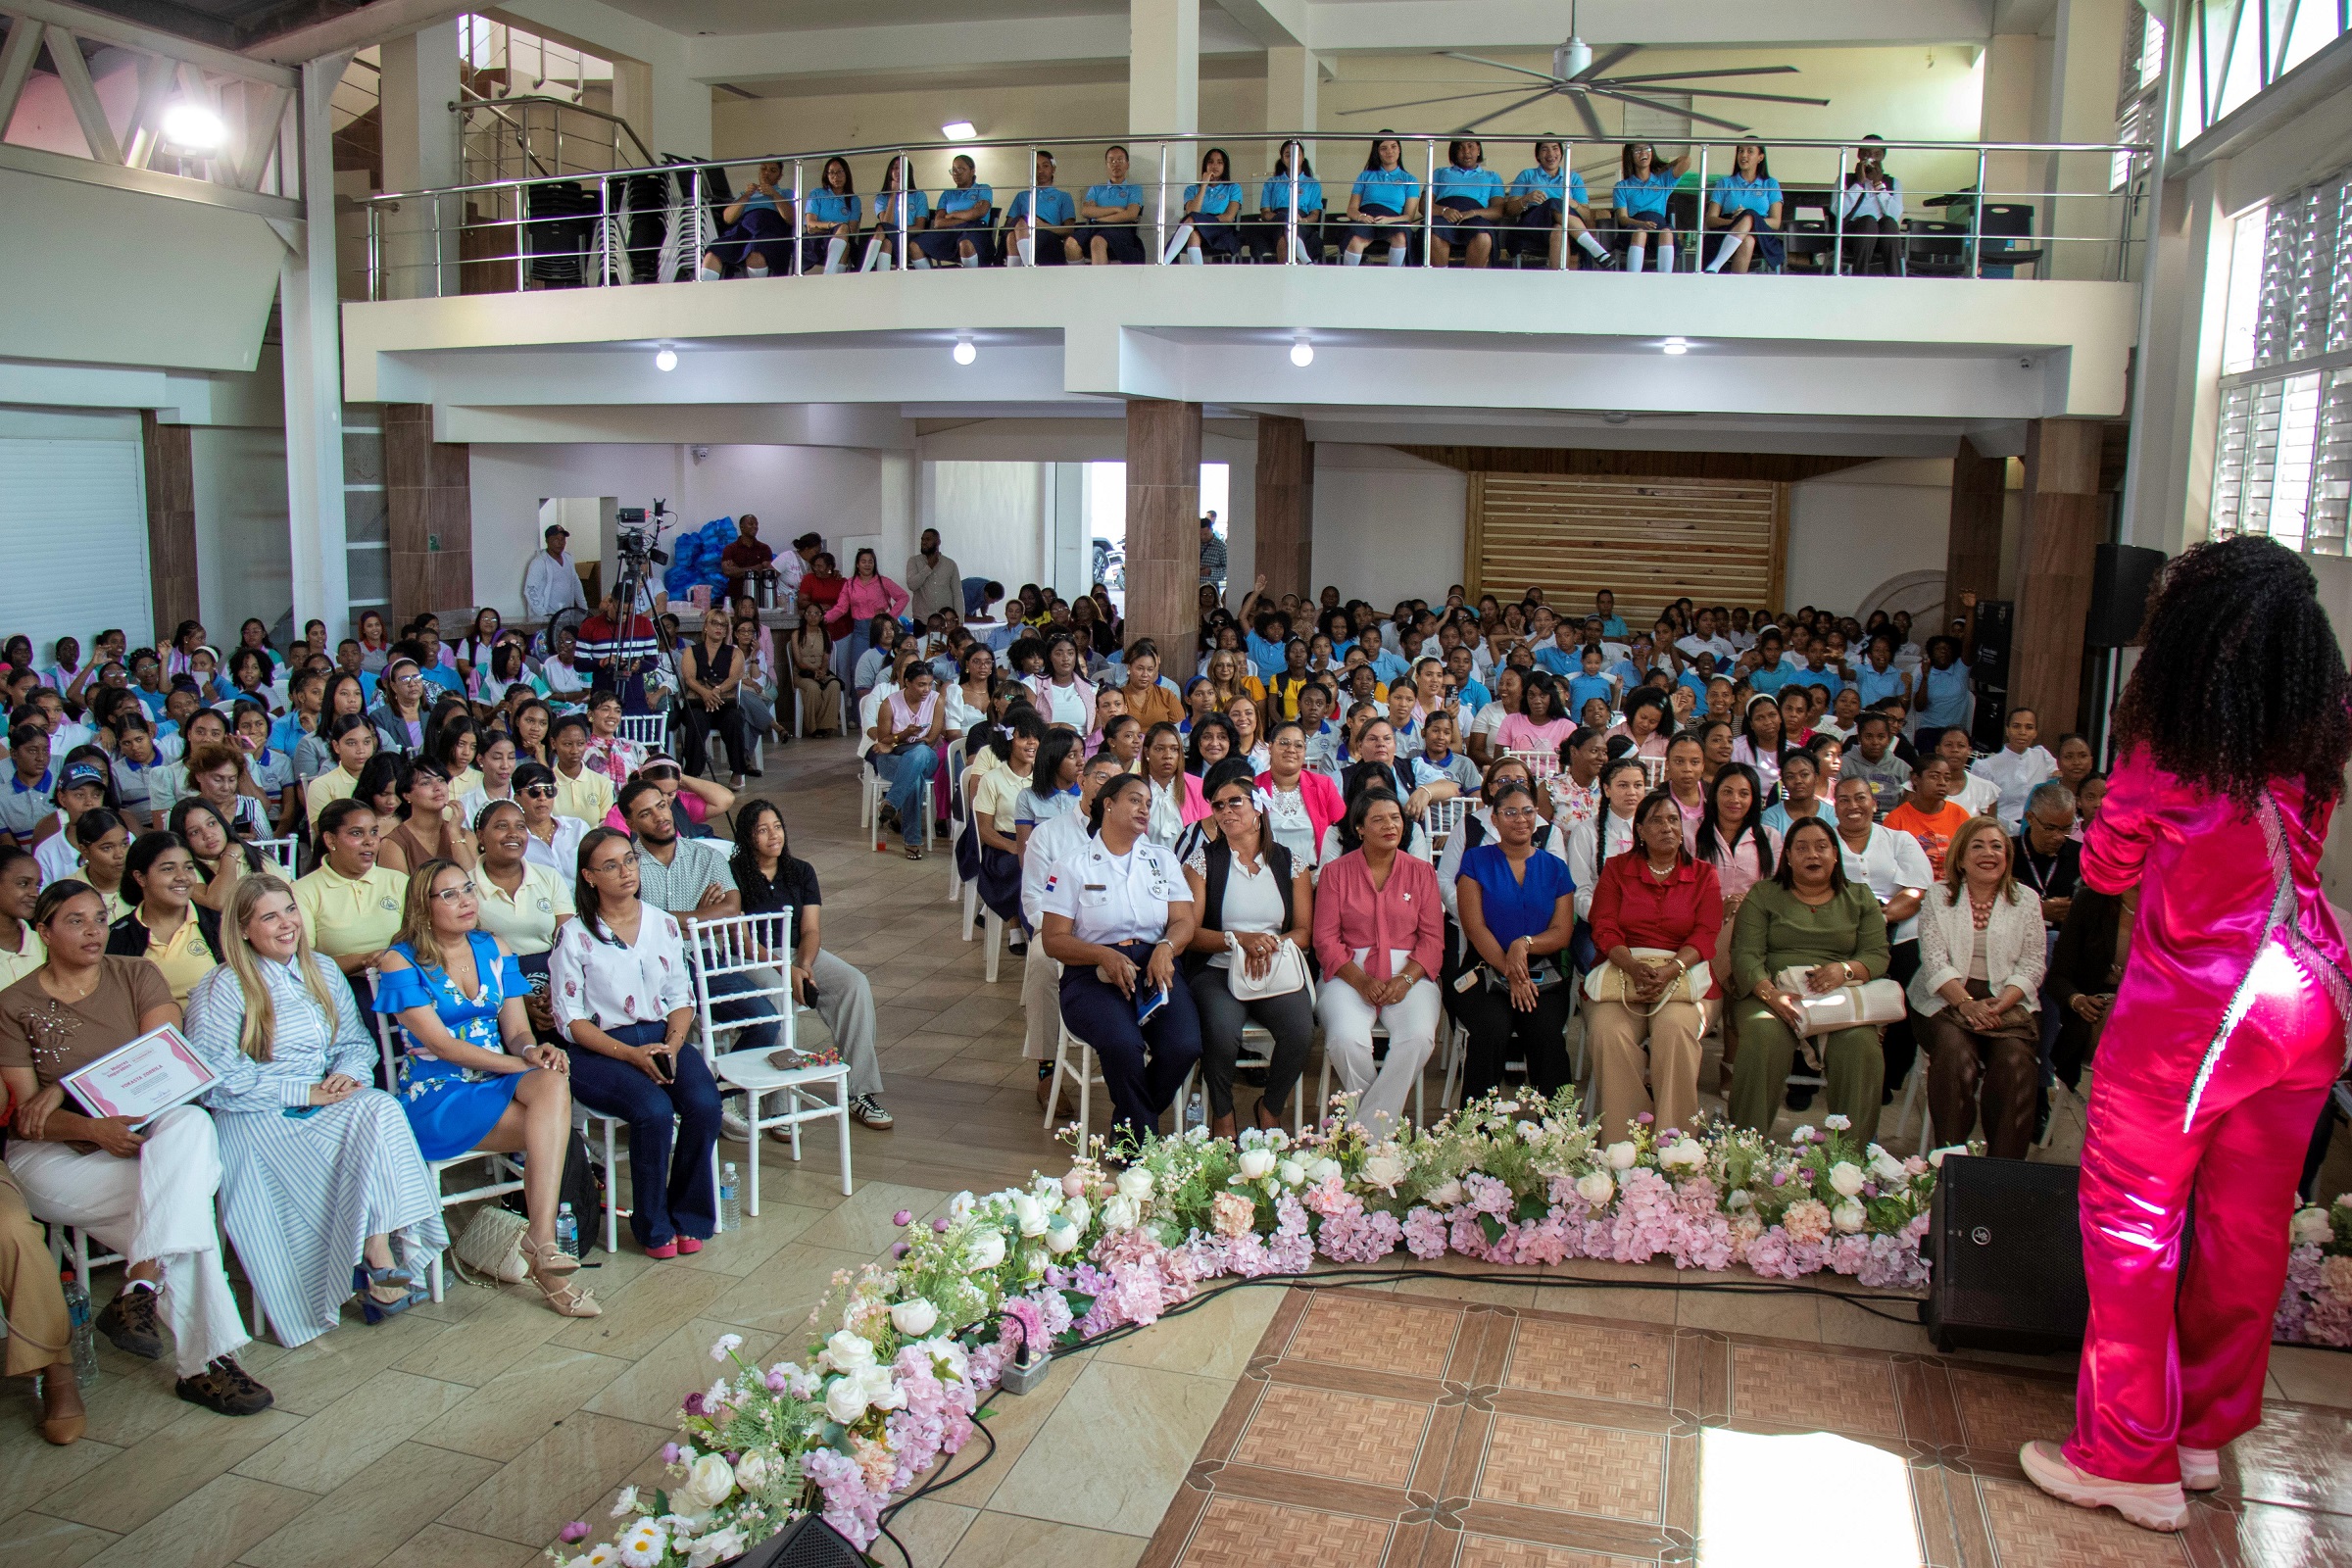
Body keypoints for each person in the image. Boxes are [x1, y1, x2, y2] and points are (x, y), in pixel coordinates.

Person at [2012, 540, 2352, 1531]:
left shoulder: (2175, 743)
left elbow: (2109, 863)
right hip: (2314, 994)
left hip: (2199, 1011)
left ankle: (2127, 1454)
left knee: (2132, 1225)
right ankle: (2200, 1429)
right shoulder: (2317, 724)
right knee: (2246, 1229)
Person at [1, 881, 270, 1414]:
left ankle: (142, 1281)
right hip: (57, 1159)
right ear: (44, 929)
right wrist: (90, 1126)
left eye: (100, 918)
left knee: (191, 1121)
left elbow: (164, 1062)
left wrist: (66, 1087)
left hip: (149, 1139)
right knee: (184, 1211)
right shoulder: (14, 1005)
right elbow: (32, 1120)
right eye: (75, 921)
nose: (93, 931)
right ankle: (204, 1364)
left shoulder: (137, 974)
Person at [181, 872, 445, 1339]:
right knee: (363, 1131)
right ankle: (373, 1269)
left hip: (324, 1097)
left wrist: (349, 1075)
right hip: (254, 1112)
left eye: (289, 910)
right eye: (269, 916)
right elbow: (214, 1079)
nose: (286, 924)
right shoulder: (221, 986)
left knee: (380, 1107)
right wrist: (301, 1093)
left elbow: (356, 1044)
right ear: (242, 929)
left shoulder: (320, 969)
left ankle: (377, 1251)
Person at [373, 859, 596, 1316]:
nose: (466, 900)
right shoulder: (401, 959)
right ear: (423, 904)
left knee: (552, 1079)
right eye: (449, 894)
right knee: (550, 1127)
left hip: (498, 1076)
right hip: (439, 1094)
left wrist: (533, 1053)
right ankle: (547, 1262)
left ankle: (542, 1240)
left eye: (468, 889)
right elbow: (441, 1045)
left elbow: (517, 1030)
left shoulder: (494, 945)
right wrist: (517, 1063)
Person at [550, 827, 722, 1257]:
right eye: (611, 865)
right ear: (589, 876)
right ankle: (652, 1225)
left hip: (665, 1037)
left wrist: (674, 1045)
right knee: (653, 1110)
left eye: (630, 860)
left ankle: (691, 1215)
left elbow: (682, 998)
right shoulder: (574, 935)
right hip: (600, 1048)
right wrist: (631, 1054)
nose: (626, 871)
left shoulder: (662, 922)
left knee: (704, 1104)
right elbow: (569, 1020)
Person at [1038, 773, 1201, 1144]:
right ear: (1108, 804)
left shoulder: (1161, 860)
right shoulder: (1073, 865)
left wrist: (1167, 948)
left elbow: (1183, 921)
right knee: (1123, 1045)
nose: (1144, 808)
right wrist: (1101, 954)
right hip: (1090, 972)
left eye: (1148, 802)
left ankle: (1128, 1123)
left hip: (1153, 964)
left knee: (1185, 1044)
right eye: (1134, 799)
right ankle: (1135, 1146)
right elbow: (1053, 940)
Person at [1725, 815, 1893, 1141]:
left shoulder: (1859, 898)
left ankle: (1851, 1166)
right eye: (1801, 848)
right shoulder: (1763, 894)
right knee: (1763, 1035)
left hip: (1839, 998)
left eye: (1820, 847)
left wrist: (1844, 970)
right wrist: (1772, 995)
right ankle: (1742, 1152)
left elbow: (1877, 954)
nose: (1812, 855)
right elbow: (1746, 953)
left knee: (1861, 1047)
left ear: (1835, 853)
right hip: (1772, 996)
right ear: (1787, 856)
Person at [728, 801, 890, 1129]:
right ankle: (776, 1104)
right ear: (747, 837)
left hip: (797, 952)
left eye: (777, 826)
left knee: (853, 984)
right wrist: (785, 971)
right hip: (751, 957)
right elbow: (742, 940)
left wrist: (801, 965)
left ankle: (858, 1091)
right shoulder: (734, 875)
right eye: (762, 829)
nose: (774, 835)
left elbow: (811, 929)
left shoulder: (801, 871)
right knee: (776, 994)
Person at [1181, 761, 1315, 1136]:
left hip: (1275, 967)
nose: (1225, 811)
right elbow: (1189, 932)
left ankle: (1270, 1106)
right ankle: (1222, 1112)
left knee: (1301, 1030)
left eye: (1234, 802)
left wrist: (1269, 944)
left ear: (1259, 808)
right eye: (1218, 806)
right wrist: (1239, 940)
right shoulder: (1202, 862)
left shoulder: (1291, 863)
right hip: (1219, 968)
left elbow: (1304, 932)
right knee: (1221, 1031)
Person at [1587, 788, 1724, 1140]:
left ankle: (1676, 1146)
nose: (1667, 827)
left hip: (1684, 977)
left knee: (1674, 1033)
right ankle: (1625, 1144)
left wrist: (1672, 969)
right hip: (1623, 972)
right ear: (1641, 832)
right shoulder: (1617, 869)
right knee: (1609, 1032)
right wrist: (1632, 966)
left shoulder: (1704, 875)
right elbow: (1603, 927)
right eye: (1657, 820)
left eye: (1673, 820)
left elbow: (1706, 933)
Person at [1909, 815, 2045, 1159]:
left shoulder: (2026, 899)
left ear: (2008, 855)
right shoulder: (1939, 896)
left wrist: (2002, 1004)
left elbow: (2032, 964)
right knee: (1955, 1053)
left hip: (2007, 1001)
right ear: (1960, 856)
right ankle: (1950, 1161)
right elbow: (1934, 961)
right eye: (1978, 845)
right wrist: (1967, 1004)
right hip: (1944, 999)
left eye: (1997, 846)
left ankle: (2001, 1171)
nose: (1989, 853)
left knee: (2016, 1063)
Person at [1313, 791, 1444, 1131]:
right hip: (1348, 971)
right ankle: (1384, 1133)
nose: (1390, 825)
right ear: (1359, 828)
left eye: (1396, 817)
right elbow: (1325, 940)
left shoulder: (1422, 872)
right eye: (1379, 819)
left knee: (1418, 1037)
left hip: (1410, 971)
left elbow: (1432, 941)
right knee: (1345, 1039)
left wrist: (1406, 980)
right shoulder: (1335, 873)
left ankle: (1365, 1133)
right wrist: (1361, 981)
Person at [1449, 778, 1578, 1104]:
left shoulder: (1555, 868)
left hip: (1543, 972)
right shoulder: (1476, 862)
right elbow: (1475, 927)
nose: (1521, 819)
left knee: (1547, 1034)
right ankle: (1477, 1134)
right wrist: (1511, 970)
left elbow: (1562, 932)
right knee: (1491, 1030)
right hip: (1485, 966)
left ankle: (1557, 1136)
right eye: (1510, 813)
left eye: (1527, 811)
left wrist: (1524, 945)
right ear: (1494, 819)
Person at [1830, 773, 1932, 1104]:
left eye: (1860, 797)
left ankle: (1888, 1075)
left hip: (1898, 928)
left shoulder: (1900, 841)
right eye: (1843, 799)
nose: (1853, 805)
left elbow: (1915, 892)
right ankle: (1810, 1073)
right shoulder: (1823, 841)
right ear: (1835, 807)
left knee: (1911, 988)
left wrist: (1880, 918)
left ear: (1874, 803)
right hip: (1836, 928)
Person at [293, 798, 409, 1015]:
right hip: (343, 987)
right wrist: (365, 960)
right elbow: (303, 962)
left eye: (374, 832)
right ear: (330, 839)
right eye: (357, 833)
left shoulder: (398, 881)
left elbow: (425, 939)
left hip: (404, 978)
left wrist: (393, 958)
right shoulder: (304, 891)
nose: (370, 841)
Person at [107, 832, 221, 1004]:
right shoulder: (117, 937)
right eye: (168, 869)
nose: (182, 877)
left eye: (189, 867)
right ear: (140, 878)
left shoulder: (220, 924)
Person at [867, 661, 945, 859]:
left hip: (925, 756)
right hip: (893, 758)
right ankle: (912, 840)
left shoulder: (936, 700)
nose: (926, 689)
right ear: (907, 682)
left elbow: (931, 740)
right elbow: (883, 740)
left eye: (930, 684)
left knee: (918, 753)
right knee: (914, 779)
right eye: (921, 684)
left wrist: (910, 740)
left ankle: (891, 801)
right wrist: (903, 734)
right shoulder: (890, 703)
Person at [678, 607, 756, 787]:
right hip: (698, 702)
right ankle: (693, 774)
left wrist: (716, 691)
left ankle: (737, 771)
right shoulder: (692, 651)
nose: (718, 628)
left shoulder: (734, 652)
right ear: (705, 627)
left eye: (723, 625)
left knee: (735, 719)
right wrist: (705, 693)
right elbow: (689, 677)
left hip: (724, 703)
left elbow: (735, 677)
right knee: (696, 719)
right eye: (714, 623)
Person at [376, 758, 477, 875]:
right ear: (407, 795)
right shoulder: (394, 843)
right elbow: (399, 891)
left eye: (441, 780)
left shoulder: (465, 836)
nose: (437, 787)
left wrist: (454, 833)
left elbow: (475, 884)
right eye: (426, 783)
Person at [1884, 755, 1975, 878]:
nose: (1942, 783)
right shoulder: (1896, 820)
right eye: (1934, 777)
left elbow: (1970, 857)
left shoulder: (1960, 815)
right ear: (1915, 779)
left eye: (1947, 779)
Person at [703, 160, 794, 277]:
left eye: (773, 170)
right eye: (763, 168)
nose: (766, 173)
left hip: (769, 230)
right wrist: (746, 195)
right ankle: (706, 292)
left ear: (779, 176)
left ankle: (757, 293)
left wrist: (774, 194)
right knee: (714, 251)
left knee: (756, 253)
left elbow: (791, 219)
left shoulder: (785, 193)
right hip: (743, 230)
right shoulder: (746, 194)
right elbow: (728, 219)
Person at [1972, 706, 2058, 830]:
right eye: (2016, 726)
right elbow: (1979, 808)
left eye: (2029, 727)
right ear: (2007, 730)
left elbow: (2056, 784)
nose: (2022, 732)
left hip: (2038, 831)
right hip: (2003, 830)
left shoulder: (2042, 756)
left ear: (2035, 733)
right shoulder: (1987, 766)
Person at [1611, 140, 1690, 271]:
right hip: (1636, 226)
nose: (1643, 153)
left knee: (1666, 233)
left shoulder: (1663, 180)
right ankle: (1632, 281)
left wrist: (1665, 167)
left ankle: (1664, 282)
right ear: (1630, 156)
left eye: (1647, 148)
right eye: (1637, 150)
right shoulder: (1622, 186)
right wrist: (1640, 223)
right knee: (1640, 233)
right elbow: (1622, 218)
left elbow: (1686, 160)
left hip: (1659, 225)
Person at [1344, 134, 1423, 267]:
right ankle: (1347, 280)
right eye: (1383, 148)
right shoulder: (1365, 175)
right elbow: (1351, 210)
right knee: (1355, 240)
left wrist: (1388, 220)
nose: (1389, 152)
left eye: (1393, 147)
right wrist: (1361, 217)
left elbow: (1409, 217)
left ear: (1399, 149)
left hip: (1393, 220)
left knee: (1401, 237)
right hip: (1366, 219)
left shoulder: (1410, 179)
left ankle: (1392, 280)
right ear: (1377, 152)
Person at [1704, 140, 1783, 273]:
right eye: (1741, 151)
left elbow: (1776, 222)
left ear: (1760, 157)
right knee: (1747, 240)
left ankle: (1715, 265)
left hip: (1760, 233)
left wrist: (1749, 219)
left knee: (1749, 215)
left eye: (1750, 151)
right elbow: (1710, 219)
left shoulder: (1770, 183)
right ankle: (1736, 287)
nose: (1744, 155)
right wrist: (1738, 222)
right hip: (1727, 229)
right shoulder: (1725, 182)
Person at [1427, 139, 1504, 269]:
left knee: (1484, 236)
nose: (1466, 152)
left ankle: (1470, 282)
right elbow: (1424, 205)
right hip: (1444, 214)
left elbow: (1498, 210)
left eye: (1470, 146)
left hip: (1475, 216)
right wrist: (1444, 211)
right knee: (1433, 233)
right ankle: (1440, 281)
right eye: (1460, 148)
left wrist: (1473, 212)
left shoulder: (1492, 176)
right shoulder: (1440, 173)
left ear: (1478, 150)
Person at [1838, 136, 1903, 275]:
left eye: (1876, 154)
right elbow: (1839, 212)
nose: (1871, 158)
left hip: (1883, 237)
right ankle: (1860, 277)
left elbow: (1895, 215)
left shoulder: (1894, 183)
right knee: (1868, 221)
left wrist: (1879, 185)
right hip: (1853, 235)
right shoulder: (1844, 180)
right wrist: (1859, 184)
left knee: (1890, 223)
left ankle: (1896, 280)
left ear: (1883, 157)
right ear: (1859, 154)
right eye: (1866, 153)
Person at [1251, 140, 1323, 263]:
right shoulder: (1272, 182)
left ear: (1303, 157)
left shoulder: (1312, 184)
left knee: (1286, 234)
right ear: (1282, 158)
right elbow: (1265, 213)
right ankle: (1303, 261)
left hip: (1301, 224)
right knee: (1284, 225)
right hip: (1275, 222)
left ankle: (1285, 277)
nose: (1292, 158)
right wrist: (1285, 217)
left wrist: (1301, 220)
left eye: (1297, 154)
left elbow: (1315, 215)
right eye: (1287, 155)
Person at [1077, 144, 1147, 266]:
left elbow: (1131, 214)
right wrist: (1116, 209)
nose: (1116, 164)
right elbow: (1086, 212)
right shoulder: (1096, 189)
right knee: (1070, 244)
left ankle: (1100, 284)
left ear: (1127, 164)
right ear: (1106, 165)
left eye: (1120, 160)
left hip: (1121, 230)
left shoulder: (1134, 189)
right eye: (1111, 160)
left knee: (1097, 241)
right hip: (1094, 228)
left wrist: (1099, 217)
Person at [1175, 147, 1246, 264]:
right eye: (1210, 161)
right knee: (1193, 234)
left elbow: (1228, 216)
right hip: (1196, 227)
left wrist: (1204, 220)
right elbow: (1192, 211)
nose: (1215, 166)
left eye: (1219, 162)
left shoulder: (1233, 187)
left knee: (1192, 221)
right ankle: (1197, 276)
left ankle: (1166, 260)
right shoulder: (1191, 189)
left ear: (1225, 166)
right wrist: (1203, 185)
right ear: (1205, 165)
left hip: (1220, 229)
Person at [788, 605, 843, 737]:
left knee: (834, 685)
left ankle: (827, 726)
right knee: (813, 688)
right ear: (805, 615)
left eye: (816, 614)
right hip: (803, 673)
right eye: (810, 613)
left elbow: (826, 657)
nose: (813, 616)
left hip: (821, 671)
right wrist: (813, 670)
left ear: (822, 616)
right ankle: (813, 727)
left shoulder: (826, 634)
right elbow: (798, 661)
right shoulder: (797, 634)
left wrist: (822, 670)